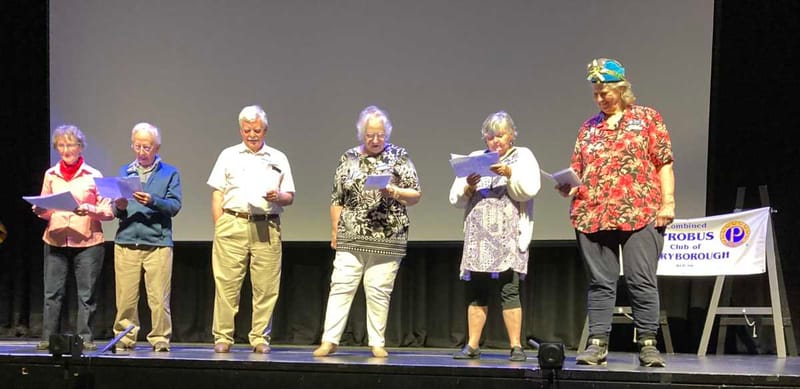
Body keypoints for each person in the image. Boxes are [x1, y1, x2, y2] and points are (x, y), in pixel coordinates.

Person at [558, 58, 675, 367]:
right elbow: (577, 171)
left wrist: (668, 203)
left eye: (605, 93)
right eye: (596, 94)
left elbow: (663, 163)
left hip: (640, 210)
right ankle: (597, 344)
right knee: (600, 282)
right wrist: (568, 187)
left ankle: (648, 344)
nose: (600, 99)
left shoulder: (647, 118)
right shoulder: (588, 128)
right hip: (592, 214)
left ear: (622, 89)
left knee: (641, 279)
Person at [312, 105, 421, 358]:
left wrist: (393, 191)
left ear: (387, 133)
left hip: (388, 236)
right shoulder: (349, 157)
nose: (375, 140)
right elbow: (337, 198)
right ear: (362, 134)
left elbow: (415, 194)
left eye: (380, 135)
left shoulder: (399, 156)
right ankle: (329, 341)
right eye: (370, 135)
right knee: (341, 286)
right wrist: (335, 230)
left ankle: (377, 343)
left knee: (378, 290)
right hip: (351, 235)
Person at [448, 111, 541, 362]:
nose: (495, 141)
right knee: (477, 291)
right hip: (479, 238)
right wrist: (469, 185)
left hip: (508, 236)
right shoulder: (476, 157)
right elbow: (455, 199)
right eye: (490, 137)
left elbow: (530, 189)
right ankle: (472, 345)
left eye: (500, 135)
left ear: (511, 135)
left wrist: (510, 173)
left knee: (509, 289)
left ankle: (516, 346)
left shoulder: (523, 156)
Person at [207, 105, 295, 354]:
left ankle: (259, 337)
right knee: (226, 284)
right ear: (240, 130)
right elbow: (217, 193)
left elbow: (289, 196)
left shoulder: (278, 157)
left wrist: (279, 196)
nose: (252, 135)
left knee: (266, 286)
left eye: (256, 130)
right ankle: (223, 336)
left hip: (266, 224)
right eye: (247, 130)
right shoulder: (228, 155)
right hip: (232, 222)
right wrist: (220, 225)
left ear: (265, 130)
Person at [33, 125, 114, 351]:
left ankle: (84, 338)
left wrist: (89, 209)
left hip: (88, 242)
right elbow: (47, 208)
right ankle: (49, 338)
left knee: (86, 295)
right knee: (52, 293)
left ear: (80, 147)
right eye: (61, 145)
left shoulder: (94, 175)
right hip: (56, 239)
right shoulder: (51, 174)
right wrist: (40, 210)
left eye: (70, 145)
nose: (65, 150)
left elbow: (108, 211)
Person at [111, 123, 182, 352]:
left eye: (147, 147)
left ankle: (160, 338)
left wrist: (152, 201)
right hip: (127, 241)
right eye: (138, 146)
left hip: (157, 243)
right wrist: (119, 206)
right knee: (126, 298)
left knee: (159, 298)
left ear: (157, 147)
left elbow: (174, 206)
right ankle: (124, 337)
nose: (142, 151)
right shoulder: (125, 171)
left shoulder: (169, 173)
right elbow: (115, 210)